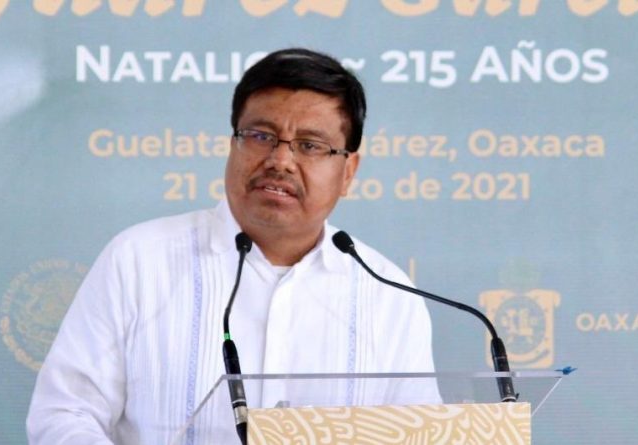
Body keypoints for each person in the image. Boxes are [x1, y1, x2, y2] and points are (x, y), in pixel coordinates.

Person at [27, 48, 436, 445]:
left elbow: (420, 435)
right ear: (232, 144)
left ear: (348, 171)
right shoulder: (138, 261)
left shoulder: (389, 295)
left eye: (310, 145)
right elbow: (64, 414)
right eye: (261, 136)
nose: (280, 160)